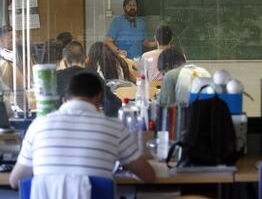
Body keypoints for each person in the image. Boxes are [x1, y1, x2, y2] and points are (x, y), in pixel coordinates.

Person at [9, 72, 156, 189]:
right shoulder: (114, 128)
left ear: (65, 99)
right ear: (98, 98)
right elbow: (149, 176)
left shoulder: (38, 125)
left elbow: (15, 181)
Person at [57, 41, 121, 117]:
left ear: (64, 62)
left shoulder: (56, 77)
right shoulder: (93, 76)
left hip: (60, 122)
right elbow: (113, 104)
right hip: (91, 121)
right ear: (86, 60)